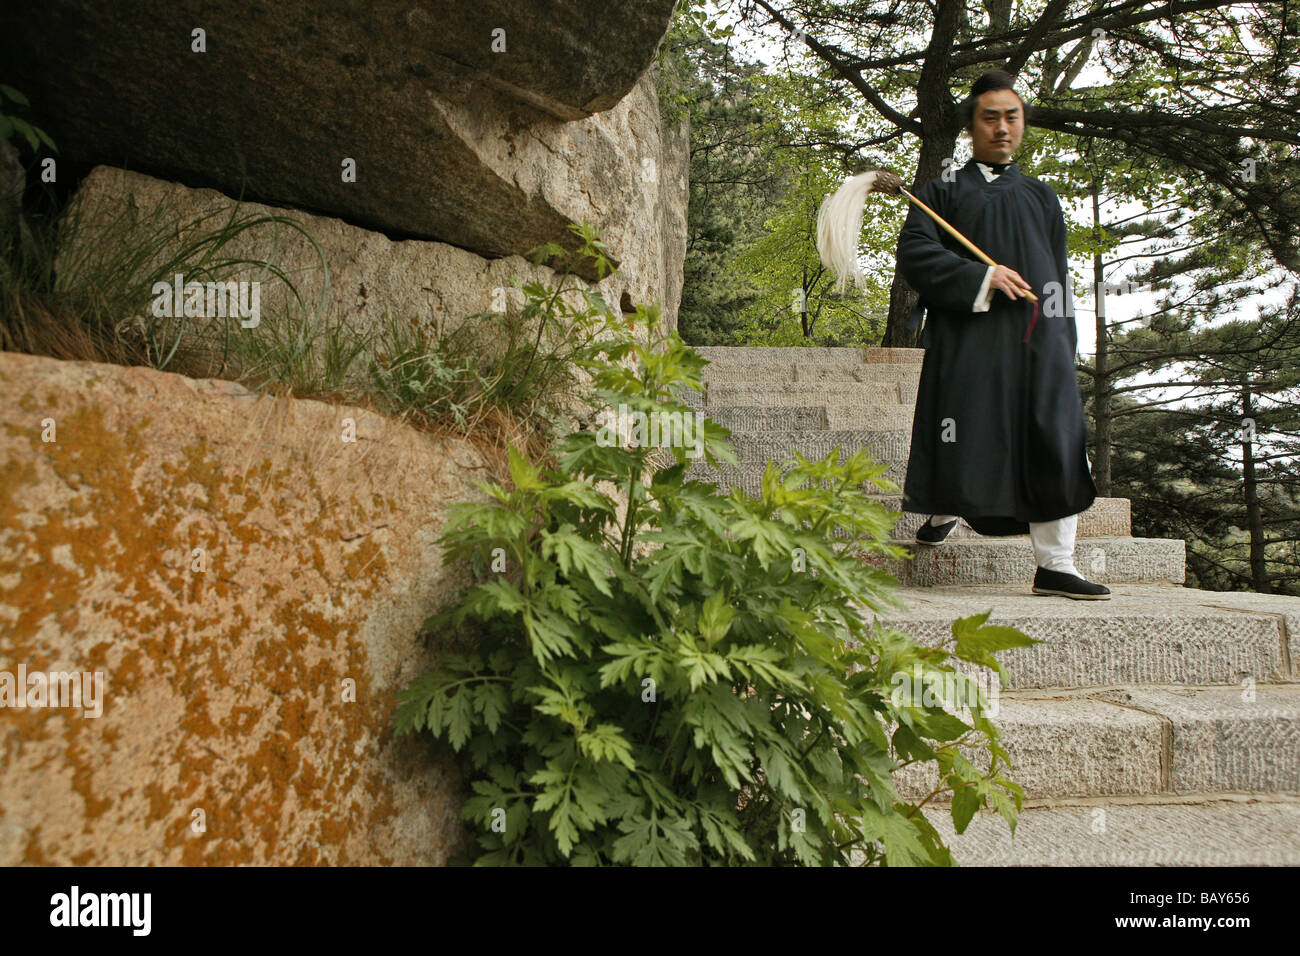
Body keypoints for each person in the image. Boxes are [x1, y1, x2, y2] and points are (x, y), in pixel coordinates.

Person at [896, 70, 1109, 600]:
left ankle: (1056, 565)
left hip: (1038, 338)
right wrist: (982, 276)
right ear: (972, 126)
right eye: (989, 117)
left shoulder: (1042, 196)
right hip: (969, 337)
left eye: (1011, 116)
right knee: (965, 431)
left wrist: (1063, 336)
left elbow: (1056, 270)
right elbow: (916, 256)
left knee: (1057, 437)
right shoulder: (938, 194)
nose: (1001, 127)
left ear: (1022, 125)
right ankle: (947, 507)